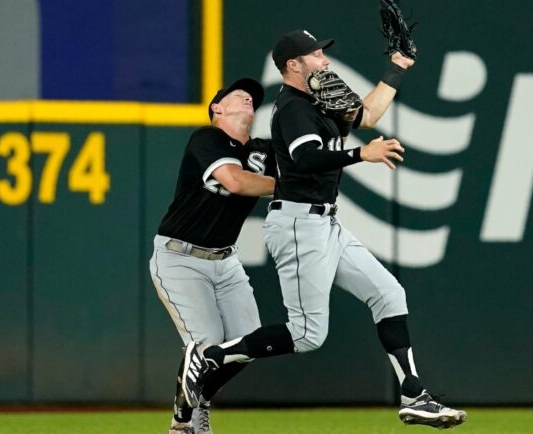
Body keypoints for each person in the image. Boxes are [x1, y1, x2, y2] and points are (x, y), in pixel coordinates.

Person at [181, 29, 467, 429]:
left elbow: (367, 116)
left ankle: (413, 394)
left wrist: (398, 67)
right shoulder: (294, 107)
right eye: (315, 55)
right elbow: (305, 159)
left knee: (388, 293)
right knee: (306, 335)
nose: (325, 61)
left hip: (324, 222)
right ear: (293, 66)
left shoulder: (318, 100)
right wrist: (360, 154)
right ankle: (211, 357)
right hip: (299, 224)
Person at [149, 77, 276, 434]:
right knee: (205, 346)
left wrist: (359, 152)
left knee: (250, 342)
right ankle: (182, 422)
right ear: (217, 108)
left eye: (253, 97)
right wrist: (287, 186)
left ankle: (198, 400)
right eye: (239, 95)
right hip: (180, 259)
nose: (249, 98)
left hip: (225, 261)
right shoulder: (206, 138)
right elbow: (235, 181)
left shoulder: (264, 151)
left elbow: (311, 160)